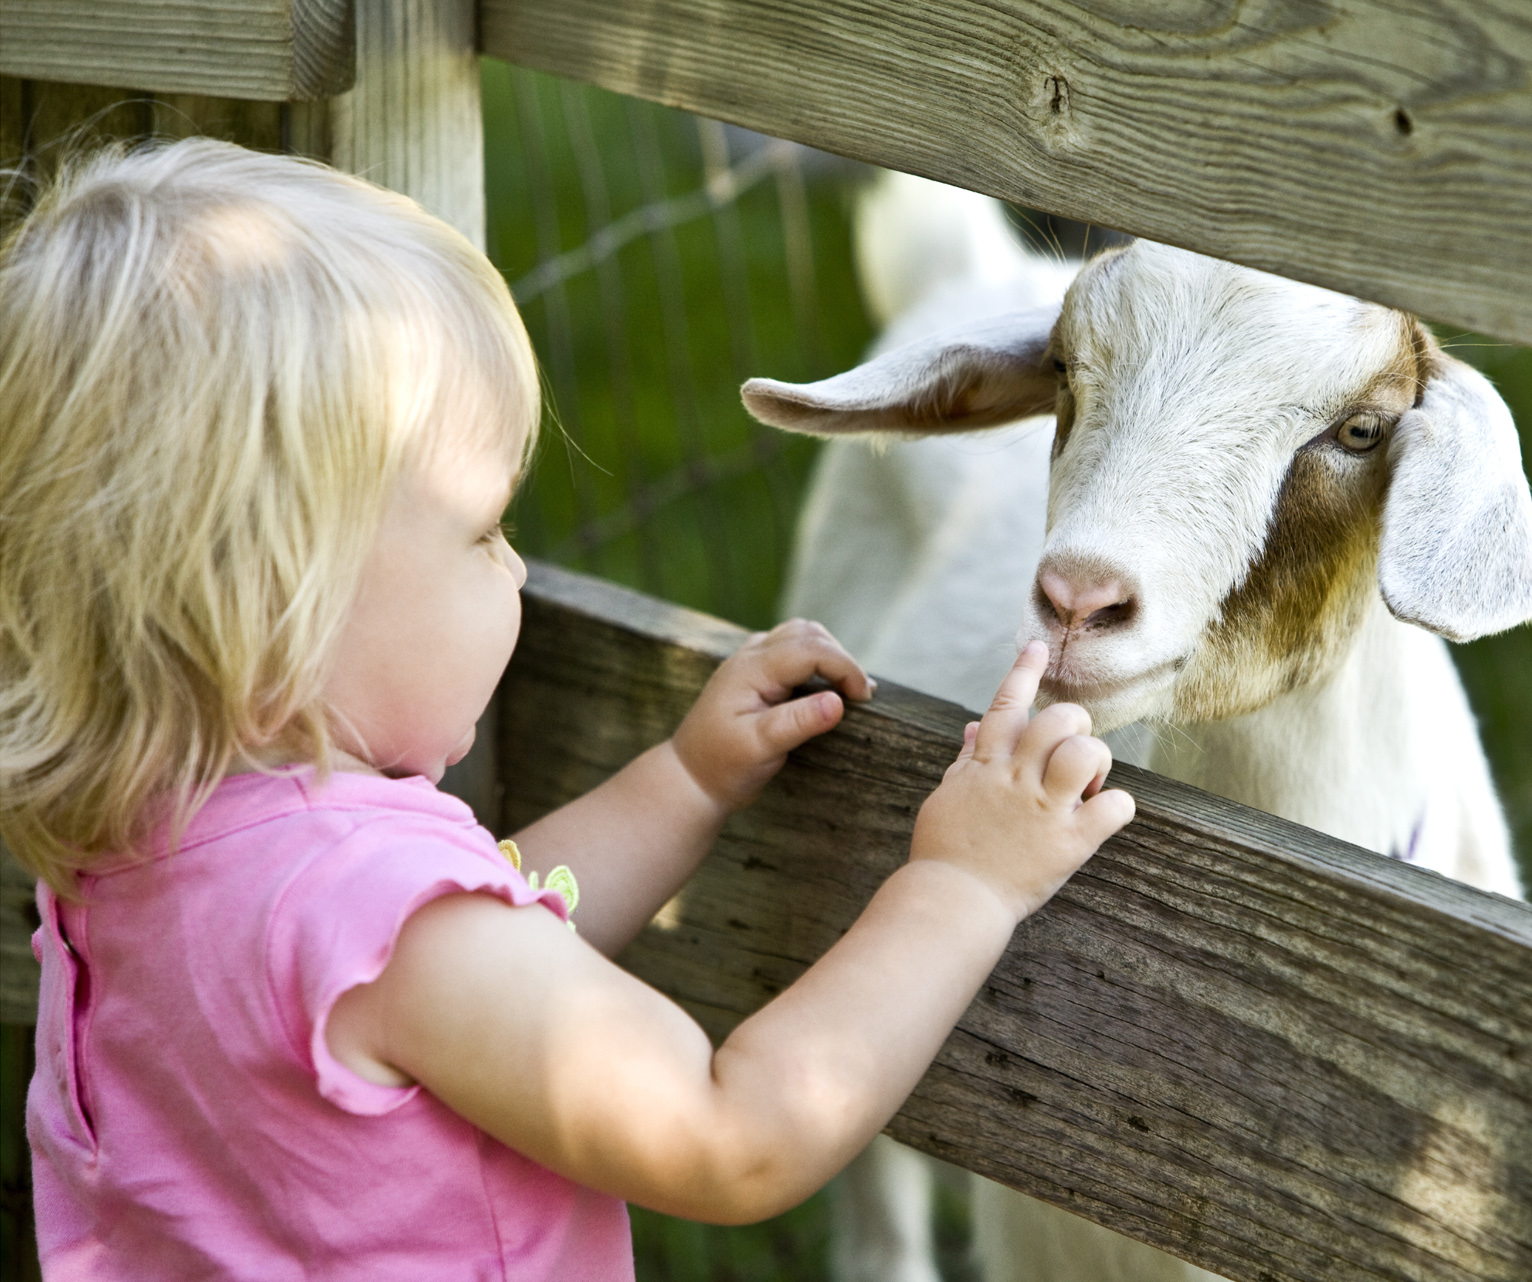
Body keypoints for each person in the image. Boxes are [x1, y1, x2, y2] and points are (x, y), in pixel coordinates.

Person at [0, 138, 1134, 1279]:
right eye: (483, 528)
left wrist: (682, 784)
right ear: (276, 605)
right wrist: (962, 885)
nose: (517, 571)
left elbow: (484, 958)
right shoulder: (382, 929)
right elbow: (732, 1134)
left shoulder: (147, 859)